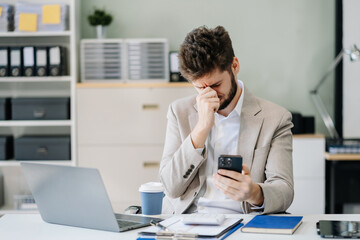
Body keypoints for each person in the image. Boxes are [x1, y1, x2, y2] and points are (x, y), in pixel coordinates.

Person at [159, 25, 294, 214]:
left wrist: (255, 193)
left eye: (216, 85)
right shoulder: (179, 111)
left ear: (234, 66)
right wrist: (201, 128)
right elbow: (169, 187)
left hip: (244, 224)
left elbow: (285, 191)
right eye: (200, 88)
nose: (209, 95)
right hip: (188, 222)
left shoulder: (275, 118)